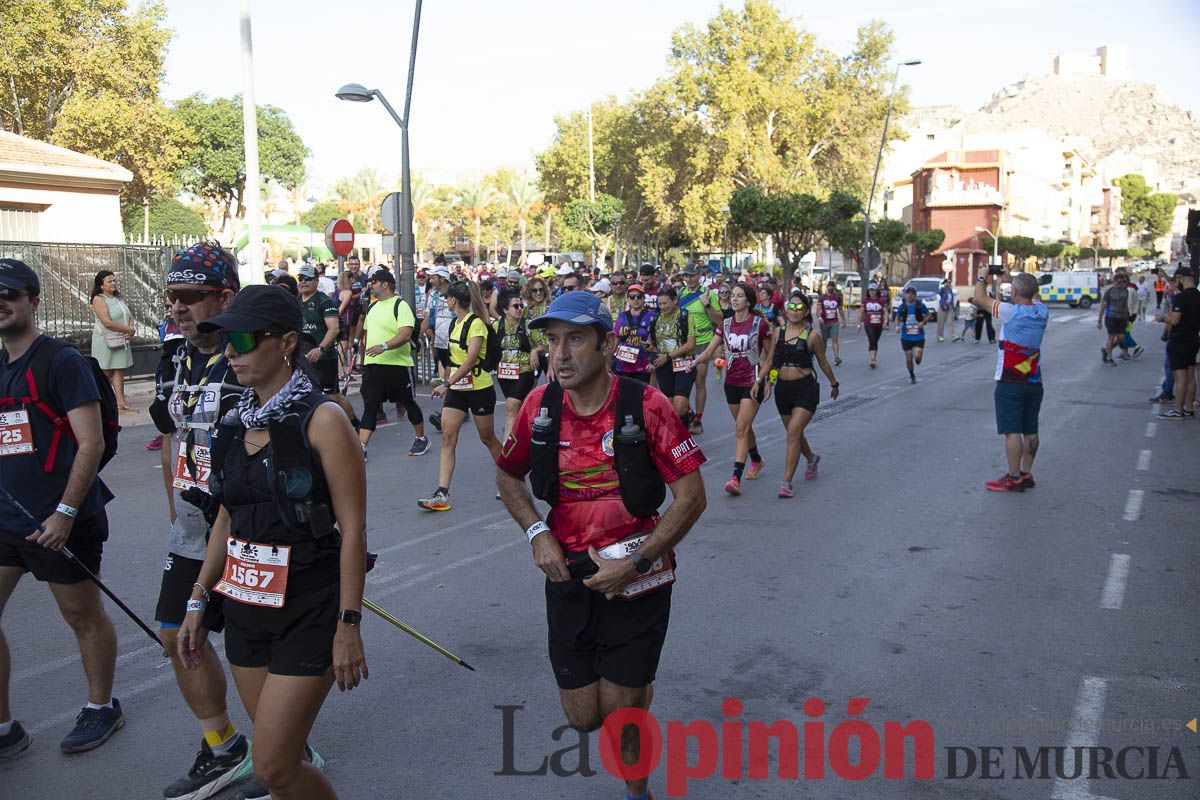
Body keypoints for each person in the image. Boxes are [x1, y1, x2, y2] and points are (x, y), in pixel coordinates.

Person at [495, 291, 707, 800]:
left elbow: (691, 497)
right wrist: (536, 532)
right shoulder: (538, 406)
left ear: (607, 344)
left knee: (621, 716)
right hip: (567, 575)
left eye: (575, 339)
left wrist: (637, 561)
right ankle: (632, 691)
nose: (560, 354)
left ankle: (638, 791)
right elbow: (507, 476)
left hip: (639, 577)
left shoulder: (647, 406)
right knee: (585, 716)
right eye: (552, 341)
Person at [179, 285, 368, 800]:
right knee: (279, 765)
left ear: (285, 342)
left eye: (242, 338)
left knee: (274, 766)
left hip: (309, 606)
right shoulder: (234, 419)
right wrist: (198, 597)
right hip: (245, 606)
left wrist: (349, 625)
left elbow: (353, 530)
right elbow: (225, 517)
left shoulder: (324, 419)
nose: (231, 352)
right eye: (226, 340)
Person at [147, 243, 264, 797]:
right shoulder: (172, 358)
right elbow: (171, 439)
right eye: (173, 297)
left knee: (250, 646)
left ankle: (282, 749)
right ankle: (223, 746)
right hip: (193, 528)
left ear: (225, 297)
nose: (179, 308)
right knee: (177, 635)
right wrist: (177, 512)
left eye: (191, 297)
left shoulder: (251, 356)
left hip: (246, 526)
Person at [0, 258, 121, 757]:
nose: (1, 303)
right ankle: (5, 726)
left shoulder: (61, 361)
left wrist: (65, 514)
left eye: (9, 293)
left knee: (81, 615)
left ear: (33, 299)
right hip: (8, 518)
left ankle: (101, 707)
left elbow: (89, 444)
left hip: (62, 519)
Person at [420, 281, 503, 511]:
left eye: (447, 297)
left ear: (454, 300)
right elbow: (453, 359)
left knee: (487, 438)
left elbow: (471, 360)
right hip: (458, 388)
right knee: (448, 437)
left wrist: (447, 383)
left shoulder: (476, 324)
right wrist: (445, 379)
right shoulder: (455, 323)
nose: (446, 300)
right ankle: (441, 493)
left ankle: (511, 477)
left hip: (478, 388)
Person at [694, 282, 774, 496]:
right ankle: (756, 459)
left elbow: (770, 356)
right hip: (732, 382)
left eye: (739, 296)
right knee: (743, 427)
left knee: (740, 428)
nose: (734, 299)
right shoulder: (726, 324)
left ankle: (735, 478)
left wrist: (764, 380)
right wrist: (691, 363)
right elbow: (710, 349)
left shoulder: (759, 324)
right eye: (733, 296)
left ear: (748, 301)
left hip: (752, 382)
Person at [975, 269, 1048, 492]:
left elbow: (979, 299)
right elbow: (1033, 296)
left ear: (1014, 292)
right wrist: (1016, 282)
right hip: (1034, 380)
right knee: (1030, 429)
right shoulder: (1042, 311)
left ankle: (1013, 476)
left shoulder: (1011, 312)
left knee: (1012, 431)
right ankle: (1026, 473)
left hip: (1010, 380)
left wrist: (982, 277)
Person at [769, 295, 839, 498]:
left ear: (806, 311)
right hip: (782, 389)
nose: (795, 310)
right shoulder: (777, 333)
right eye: (791, 306)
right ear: (786, 310)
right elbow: (770, 362)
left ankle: (786, 483)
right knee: (795, 434)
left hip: (805, 389)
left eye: (800, 307)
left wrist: (834, 384)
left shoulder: (813, 336)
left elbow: (824, 362)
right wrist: (762, 382)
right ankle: (811, 458)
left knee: (792, 433)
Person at [358, 268, 429, 459]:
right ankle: (361, 447)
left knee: (408, 402)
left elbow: (405, 334)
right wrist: (361, 352)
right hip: (373, 365)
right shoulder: (372, 307)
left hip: (397, 365)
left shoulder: (400, 305)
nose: (371, 285)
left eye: (374, 282)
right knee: (370, 406)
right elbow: (366, 333)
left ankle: (421, 437)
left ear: (385, 284)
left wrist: (384, 346)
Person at [297, 265, 358, 425]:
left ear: (316, 281)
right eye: (300, 279)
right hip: (303, 359)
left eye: (307, 279)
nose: (303, 282)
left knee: (334, 397)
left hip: (324, 358)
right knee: (304, 394)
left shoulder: (324, 301)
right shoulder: (296, 301)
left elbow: (334, 329)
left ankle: (353, 423)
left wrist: (321, 349)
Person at [679, 265, 721, 434]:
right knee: (682, 382)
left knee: (699, 381)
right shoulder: (681, 293)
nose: (688, 279)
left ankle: (697, 419)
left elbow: (719, 319)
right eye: (686, 276)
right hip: (684, 344)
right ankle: (687, 412)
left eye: (691, 276)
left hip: (703, 343)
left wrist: (708, 305)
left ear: (699, 275)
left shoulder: (708, 294)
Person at [89, 270, 137, 412]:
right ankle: (103, 402)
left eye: (114, 280)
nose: (113, 283)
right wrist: (127, 330)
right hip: (105, 340)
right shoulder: (99, 299)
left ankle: (120, 402)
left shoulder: (117, 298)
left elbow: (129, 315)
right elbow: (107, 322)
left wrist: (131, 328)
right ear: (101, 285)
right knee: (105, 372)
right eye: (109, 281)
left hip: (121, 339)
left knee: (119, 370)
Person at [649, 287, 698, 425]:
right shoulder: (655, 318)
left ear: (675, 300)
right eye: (660, 304)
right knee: (670, 407)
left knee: (680, 405)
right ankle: (677, 437)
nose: (662, 307)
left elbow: (690, 344)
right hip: (663, 366)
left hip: (684, 364)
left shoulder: (685, 315)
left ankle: (684, 442)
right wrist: (648, 348)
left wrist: (669, 356)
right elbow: (650, 342)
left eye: (665, 303)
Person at [496, 289, 540, 441]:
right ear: (505, 310)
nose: (520, 308)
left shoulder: (528, 325)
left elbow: (543, 345)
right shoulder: (497, 325)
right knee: (517, 409)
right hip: (503, 374)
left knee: (510, 406)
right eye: (516, 306)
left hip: (524, 371)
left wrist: (535, 351)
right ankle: (526, 438)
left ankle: (507, 448)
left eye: (521, 305)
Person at [1157, 266, 1199, 419]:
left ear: (1182, 279)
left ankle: (1178, 410)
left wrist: (1163, 318)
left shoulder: (1180, 298)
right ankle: (1189, 407)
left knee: (1180, 377)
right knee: (1190, 376)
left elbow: (1175, 320)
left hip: (1179, 340)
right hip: (1194, 339)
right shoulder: (1198, 296)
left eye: (1177, 280)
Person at [613, 285, 657, 384]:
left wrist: (652, 361)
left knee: (639, 397)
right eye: (632, 297)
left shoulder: (652, 317)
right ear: (628, 299)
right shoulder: (622, 316)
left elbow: (655, 341)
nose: (635, 299)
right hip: (622, 365)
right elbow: (615, 341)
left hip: (642, 366)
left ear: (644, 298)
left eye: (639, 296)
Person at [896, 286, 934, 383]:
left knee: (917, 358)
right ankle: (912, 375)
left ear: (915, 295)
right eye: (908, 293)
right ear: (905, 294)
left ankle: (917, 359)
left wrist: (923, 322)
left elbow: (929, 315)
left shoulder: (920, 305)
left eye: (912, 293)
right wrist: (897, 326)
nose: (910, 295)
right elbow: (897, 317)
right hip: (906, 336)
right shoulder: (902, 307)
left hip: (918, 336)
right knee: (909, 359)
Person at [1098, 270, 1132, 365]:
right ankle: (1109, 358)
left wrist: (1127, 318)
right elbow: (1103, 306)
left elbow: (1125, 305)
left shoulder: (1125, 291)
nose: (1121, 283)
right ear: (1115, 281)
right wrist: (1099, 320)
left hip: (1121, 318)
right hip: (1111, 317)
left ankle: (1107, 350)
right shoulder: (1109, 291)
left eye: (1123, 281)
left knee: (1121, 338)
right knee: (1111, 337)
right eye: (1119, 281)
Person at [523, 277, 551, 378]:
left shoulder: (550, 306)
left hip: (549, 353)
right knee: (530, 386)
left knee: (553, 384)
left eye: (541, 289)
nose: (538, 293)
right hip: (534, 353)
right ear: (529, 292)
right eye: (534, 290)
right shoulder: (527, 309)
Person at [857, 282, 887, 368]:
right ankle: (872, 360)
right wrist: (858, 324)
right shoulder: (865, 301)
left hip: (878, 324)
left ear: (876, 291)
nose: (872, 292)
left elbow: (885, 312)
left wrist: (885, 321)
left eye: (873, 290)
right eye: (870, 290)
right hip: (868, 323)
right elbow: (861, 312)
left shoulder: (881, 301)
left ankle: (874, 357)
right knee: (872, 339)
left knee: (875, 341)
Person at [816, 281, 845, 365]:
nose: (831, 288)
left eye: (832, 286)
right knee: (824, 340)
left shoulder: (837, 298)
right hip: (824, 321)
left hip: (834, 321)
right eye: (829, 286)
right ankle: (822, 358)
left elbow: (840, 309)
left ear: (834, 288)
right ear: (827, 287)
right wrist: (820, 317)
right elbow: (818, 310)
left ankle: (836, 357)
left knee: (834, 339)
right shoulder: (822, 298)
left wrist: (844, 320)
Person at [335, 270, 356, 384]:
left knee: (343, 347)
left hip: (342, 322)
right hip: (344, 322)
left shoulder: (338, 291)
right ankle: (341, 372)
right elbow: (341, 309)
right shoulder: (347, 293)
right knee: (342, 348)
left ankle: (341, 371)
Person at [936, 278, 956, 342]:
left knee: (950, 322)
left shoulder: (950, 290)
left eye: (950, 283)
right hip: (943, 306)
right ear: (945, 283)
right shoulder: (942, 290)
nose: (949, 284)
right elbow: (938, 294)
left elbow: (952, 299)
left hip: (949, 306)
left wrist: (953, 307)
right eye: (948, 283)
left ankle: (953, 336)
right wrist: (943, 287)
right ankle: (940, 336)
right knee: (941, 322)